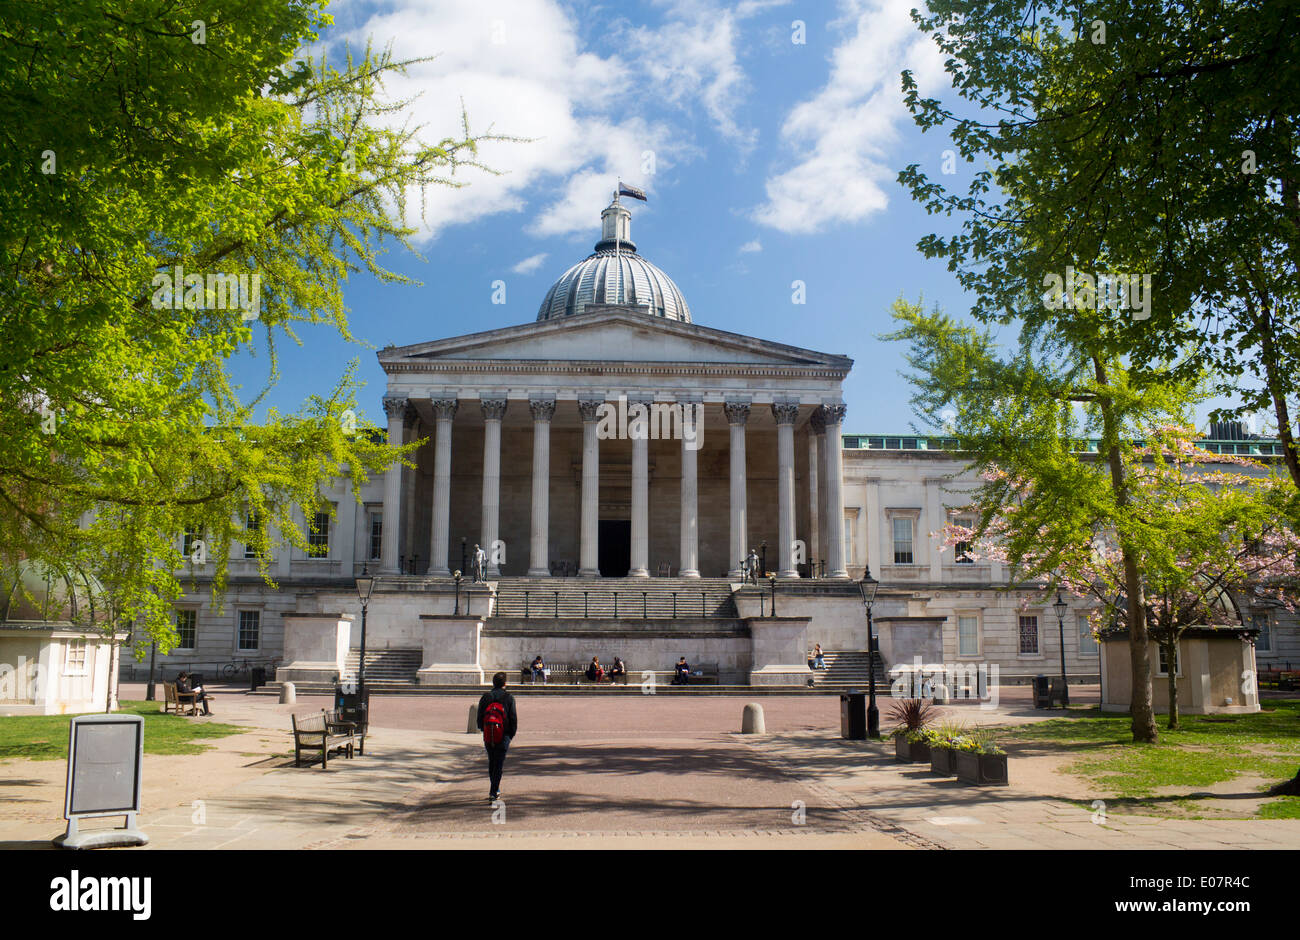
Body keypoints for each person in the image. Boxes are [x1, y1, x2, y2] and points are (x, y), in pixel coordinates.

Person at [476, 671, 518, 801]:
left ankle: (494, 788)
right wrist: (510, 735)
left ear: (493, 683)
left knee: (492, 762)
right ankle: (493, 791)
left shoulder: (486, 697)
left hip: (489, 733)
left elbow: (479, 717)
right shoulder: (509, 698)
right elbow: (513, 719)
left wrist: (484, 729)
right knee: (499, 763)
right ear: (505, 683)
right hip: (504, 734)